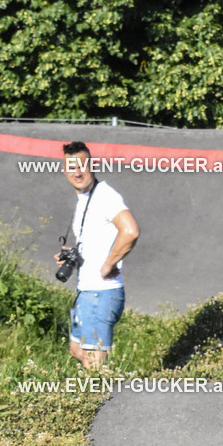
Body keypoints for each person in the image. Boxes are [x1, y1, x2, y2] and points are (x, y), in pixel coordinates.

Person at [55, 141, 139, 368]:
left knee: (94, 366)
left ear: (92, 165)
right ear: (65, 170)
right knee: (76, 350)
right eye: (72, 167)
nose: (78, 171)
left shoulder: (105, 196)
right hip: (86, 293)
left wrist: (109, 264)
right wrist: (74, 254)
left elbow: (130, 231)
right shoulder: (85, 199)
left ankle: (112, 401)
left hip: (101, 294)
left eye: (82, 165)